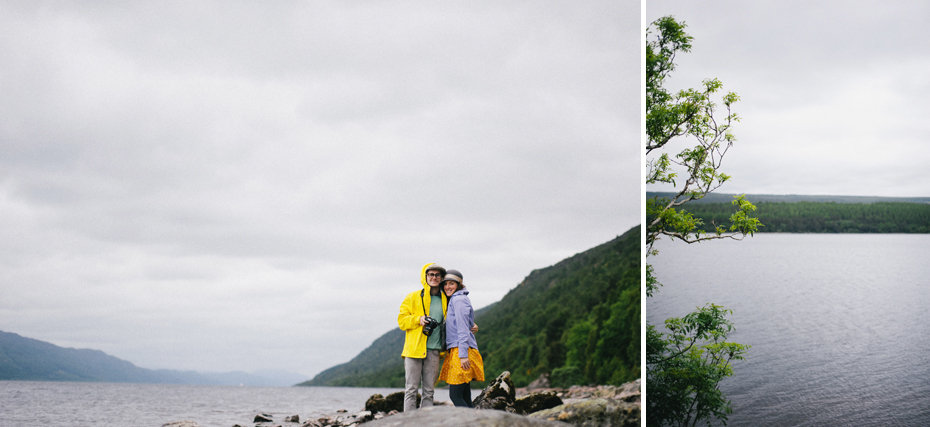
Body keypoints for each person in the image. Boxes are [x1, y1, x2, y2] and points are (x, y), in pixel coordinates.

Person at [397, 263, 448, 412]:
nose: (434, 277)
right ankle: (409, 422)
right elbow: (401, 320)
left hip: (434, 351)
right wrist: (417, 319)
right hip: (413, 351)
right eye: (431, 274)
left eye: (437, 275)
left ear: (441, 278)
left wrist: (472, 325)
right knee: (411, 390)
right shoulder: (412, 297)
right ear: (425, 276)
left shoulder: (446, 299)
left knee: (429, 391)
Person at [438, 269, 484, 408]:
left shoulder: (458, 300)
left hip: (461, 351)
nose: (447, 287)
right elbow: (468, 324)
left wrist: (463, 355)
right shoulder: (457, 299)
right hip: (459, 350)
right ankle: (475, 422)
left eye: (451, 283)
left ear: (459, 285)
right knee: (465, 395)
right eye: (445, 284)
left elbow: (463, 329)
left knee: (455, 395)